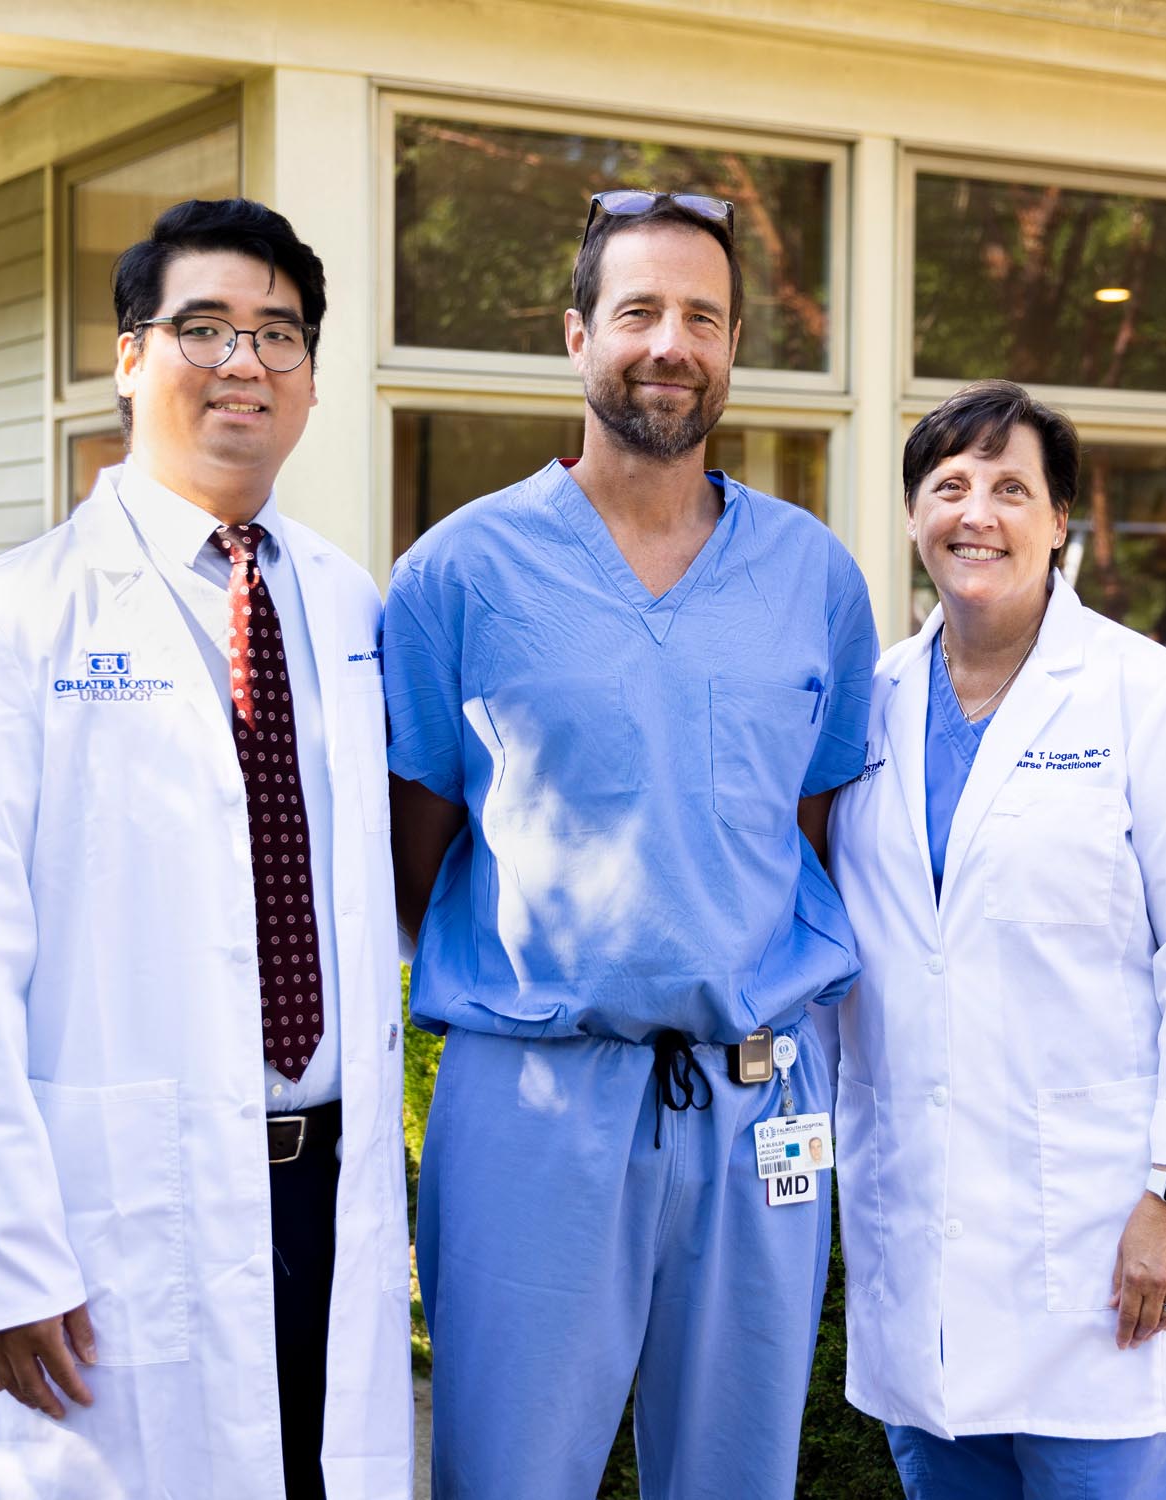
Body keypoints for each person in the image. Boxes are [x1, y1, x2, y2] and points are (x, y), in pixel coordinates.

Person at [0, 198, 412, 1500]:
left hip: (329, 1191)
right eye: (204, 328)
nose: (243, 362)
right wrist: (5, 1261)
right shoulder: (15, 614)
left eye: (278, 335)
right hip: (128, 1206)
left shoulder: (346, 602)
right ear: (131, 357)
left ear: (307, 381)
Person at [383, 189, 878, 1499]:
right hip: (535, 1102)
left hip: (760, 1096)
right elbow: (408, 851)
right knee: (507, 1475)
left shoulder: (813, 579)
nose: (671, 343)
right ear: (575, 335)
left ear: (731, 349)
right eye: (639, 310)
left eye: (702, 317)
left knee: (737, 1477)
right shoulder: (458, 574)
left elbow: (805, 834)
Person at [826, 380, 1166, 1499]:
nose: (976, 512)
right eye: (948, 486)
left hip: (1104, 1257)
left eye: (1010, 487)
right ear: (915, 515)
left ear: (1059, 519)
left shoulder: (1141, 694)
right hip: (920, 1273)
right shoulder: (868, 701)